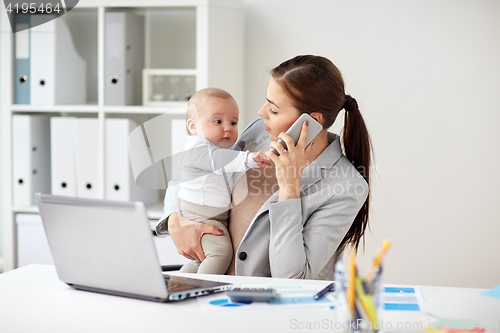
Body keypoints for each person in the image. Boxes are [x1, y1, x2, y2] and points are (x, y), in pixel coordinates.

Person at [157, 55, 372, 280]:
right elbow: (192, 171)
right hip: (209, 292)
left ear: (311, 121)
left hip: (266, 308)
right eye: (266, 102)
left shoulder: (345, 187)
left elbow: (292, 278)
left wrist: (290, 189)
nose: (261, 112)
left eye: (274, 109)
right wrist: (174, 220)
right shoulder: (259, 133)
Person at [158, 88, 270, 274]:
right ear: (193, 127)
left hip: (211, 216)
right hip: (199, 216)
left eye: (234, 122)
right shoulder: (197, 150)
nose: (228, 128)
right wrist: (251, 159)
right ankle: (202, 288)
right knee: (220, 252)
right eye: (218, 121)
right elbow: (219, 160)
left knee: (199, 260)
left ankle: (180, 283)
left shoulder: (220, 148)